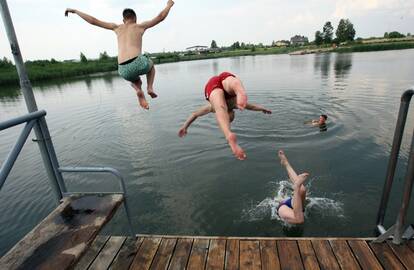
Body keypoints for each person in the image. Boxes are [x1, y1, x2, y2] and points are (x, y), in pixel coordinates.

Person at [65, 0, 175, 110]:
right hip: (138, 62)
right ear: (135, 18)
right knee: (151, 65)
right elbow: (161, 17)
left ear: (123, 20)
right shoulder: (140, 26)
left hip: (122, 69)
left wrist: (75, 11)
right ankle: (150, 88)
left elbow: (93, 21)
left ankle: (138, 90)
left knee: (136, 80)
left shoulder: (116, 27)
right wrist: (169, 5)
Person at [178, 72, 272, 160]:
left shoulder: (227, 105)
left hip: (217, 88)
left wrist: (263, 109)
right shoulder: (228, 104)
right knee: (229, 86)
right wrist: (185, 127)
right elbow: (194, 114)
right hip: (219, 83)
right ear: (232, 113)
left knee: (220, 107)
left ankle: (228, 133)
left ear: (233, 113)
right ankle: (238, 88)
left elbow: (251, 107)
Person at [277, 150, 309, 224]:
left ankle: (286, 163)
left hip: (291, 204)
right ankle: (297, 186)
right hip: (284, 208)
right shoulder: (283, 209)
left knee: (302, 190)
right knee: (299, 220)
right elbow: (299, 221)